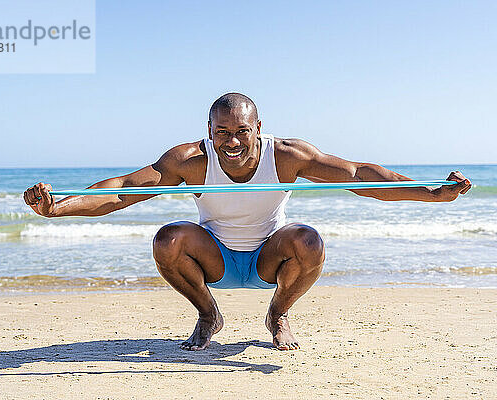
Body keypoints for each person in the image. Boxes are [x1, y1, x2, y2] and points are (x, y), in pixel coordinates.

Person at [24, 93, 472, 351]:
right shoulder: (190, 160)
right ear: (209, 129)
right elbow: (123, 190)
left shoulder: (287, 155)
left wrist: (434, 193)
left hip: (269, 261)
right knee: (167, 238)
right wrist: (56, 208)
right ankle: (207, 315)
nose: (232, 141)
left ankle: (277, 314)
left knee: (310, 239)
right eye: (222, 132)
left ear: (258, 127)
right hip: (213, 262)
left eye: (242, 131)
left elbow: (359, 176)